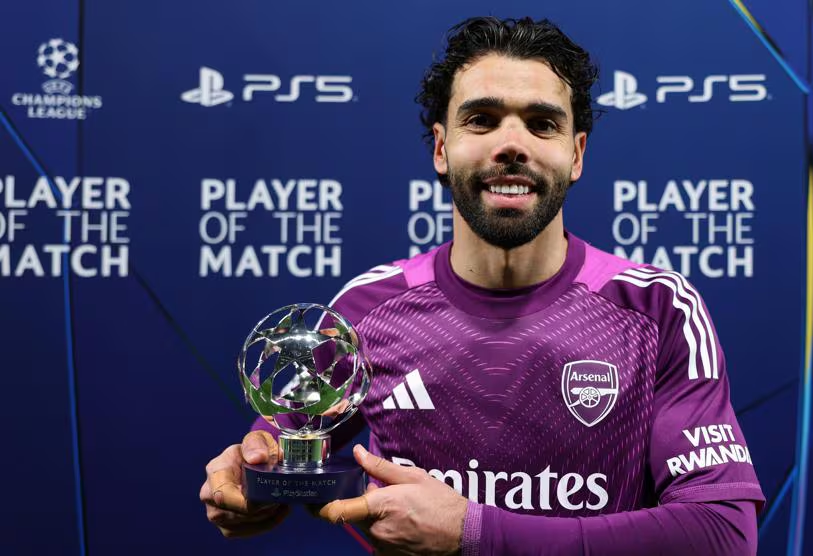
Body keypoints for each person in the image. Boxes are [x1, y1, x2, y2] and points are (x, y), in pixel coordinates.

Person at [201, 16, 764, 555]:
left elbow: (722, 533)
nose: (511, 143)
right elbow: (279, 446)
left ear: (576, 155)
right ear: (441, 149)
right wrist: (246, 475)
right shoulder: (367, 309)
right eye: (482, 119)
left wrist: (474, 533)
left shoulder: (657, 308)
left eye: (541, 123)